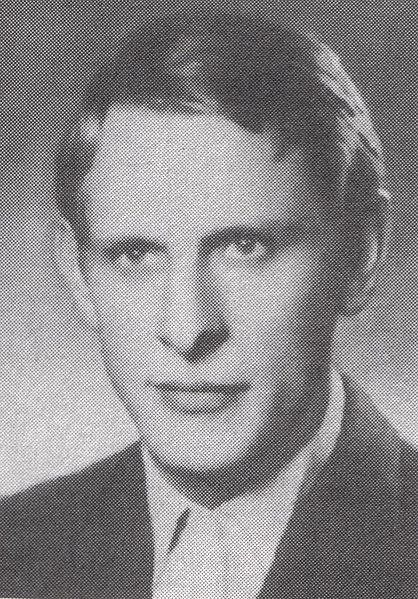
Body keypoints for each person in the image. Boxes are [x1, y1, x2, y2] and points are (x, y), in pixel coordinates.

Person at [0, 9, 416, 599]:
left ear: (359, 252)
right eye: (136, 255)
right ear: (77, 273)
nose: (188, 328)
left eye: (245, 249)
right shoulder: (15, 548)